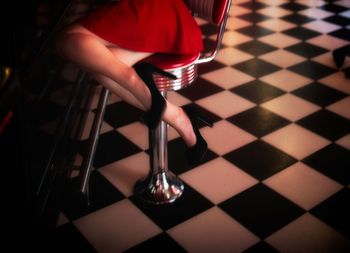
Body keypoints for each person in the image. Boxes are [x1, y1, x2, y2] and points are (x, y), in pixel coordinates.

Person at [55, 0, 212, 165]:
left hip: (154, 9)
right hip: (161, 12)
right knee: (101, 63)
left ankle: (135, 80)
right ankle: (176, 116)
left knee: (69, 41)